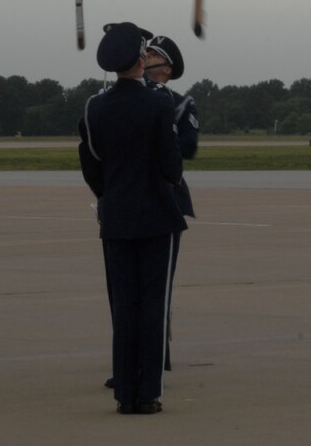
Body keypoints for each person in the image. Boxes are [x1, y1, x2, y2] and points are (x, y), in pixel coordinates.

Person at [78, 22, 185, 415]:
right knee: (152, 308)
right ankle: (148, 393)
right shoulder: (159, 103)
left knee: (124, 307)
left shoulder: (94, 106)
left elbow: (90, 163)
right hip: (156, 214)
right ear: (141, 59)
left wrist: (110, 195)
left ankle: (124, 393)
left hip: (117, 216)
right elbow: (172, 167)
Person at [142, 34, 199, 372]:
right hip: (128, 196)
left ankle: (157, 356)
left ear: (165, 68)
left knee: (158, 285)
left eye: (150, 54)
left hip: (165, 198)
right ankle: (129, 357)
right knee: (126, 289)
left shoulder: (179, 103)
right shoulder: (118, 98)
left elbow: (187, 148)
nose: (143, 56)